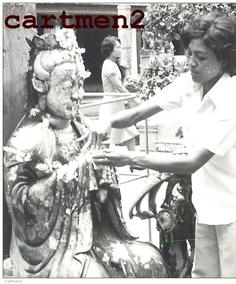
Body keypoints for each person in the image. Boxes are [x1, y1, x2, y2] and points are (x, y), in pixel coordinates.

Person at [90, 13, 236, 277]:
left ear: (225, 60)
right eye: (190, 53)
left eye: (201, 58)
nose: (191, 63)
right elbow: (140, 112)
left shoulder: (233, 101)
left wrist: (129, 158)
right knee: (203, 276)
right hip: (207, 204)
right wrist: (107, 122)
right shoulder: (189, 84)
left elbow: (192, 162)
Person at [3, 29, 167, 277]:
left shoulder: (84, 128)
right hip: (54, 249)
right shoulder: (29, 138)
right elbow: (21, 206)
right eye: (68, 87)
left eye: (80, 84)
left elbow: (102, 199)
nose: (78, 94)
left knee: (149, 260)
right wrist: (75, 173)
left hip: (95, 233)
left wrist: (103, 175)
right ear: (41, 85)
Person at [99, 36, 139, 151]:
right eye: (117, 47)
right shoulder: (108, 64)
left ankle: (133, 160)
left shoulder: (114, 64)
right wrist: (131, 97)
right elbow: (117, 86)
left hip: (117, 102)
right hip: (111, 103)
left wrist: (125, 73)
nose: (120, 49)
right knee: (106, 134)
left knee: (127, 130)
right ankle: (102, 163)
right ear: (110, 50)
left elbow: (121, 84)